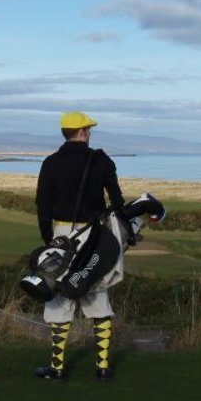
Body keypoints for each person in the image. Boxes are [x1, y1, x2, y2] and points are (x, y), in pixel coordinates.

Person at [33, 111, 127, 381]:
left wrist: (48, 240)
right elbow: (118, 202)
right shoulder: (101, 161)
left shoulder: (50, 163)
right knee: (96, 293)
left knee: (60, 295)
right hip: (94, 235)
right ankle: (102, 367)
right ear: (84, 132)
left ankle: (57, 368)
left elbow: (42, 206)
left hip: (61, 233)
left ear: (65, 133)